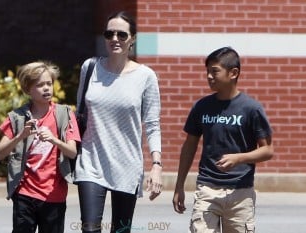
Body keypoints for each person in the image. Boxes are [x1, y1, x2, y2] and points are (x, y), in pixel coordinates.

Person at [74, 11, 163, 233]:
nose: (115, 39)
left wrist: (157, 165)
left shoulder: (146, 76)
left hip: (127, 164)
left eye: (122, 35)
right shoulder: (90, 67)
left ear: (132, 39)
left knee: (121, 230)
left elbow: (152, 124)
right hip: (91, 161)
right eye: (109, 34)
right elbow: (80, 112)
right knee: (90, 229)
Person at [172, 47, 273, 233]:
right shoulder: (202, 106)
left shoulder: (251, 108)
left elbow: (267, 150)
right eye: (207, 71)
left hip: (240, 193)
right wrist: (179, 186)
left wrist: (238, 158)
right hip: (207, 189)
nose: (209, 76)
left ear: (233, 73)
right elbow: (189, 146)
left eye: (215, 71)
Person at [0, 61, 81, 233]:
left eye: (49, 83)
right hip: (24, 193)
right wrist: (21, 136)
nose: (46, 88)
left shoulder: (64, 114)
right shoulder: (17, 117)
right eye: (40, 85)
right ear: (28, 90)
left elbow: (72, 153)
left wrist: (54, 140)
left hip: (54, 194)